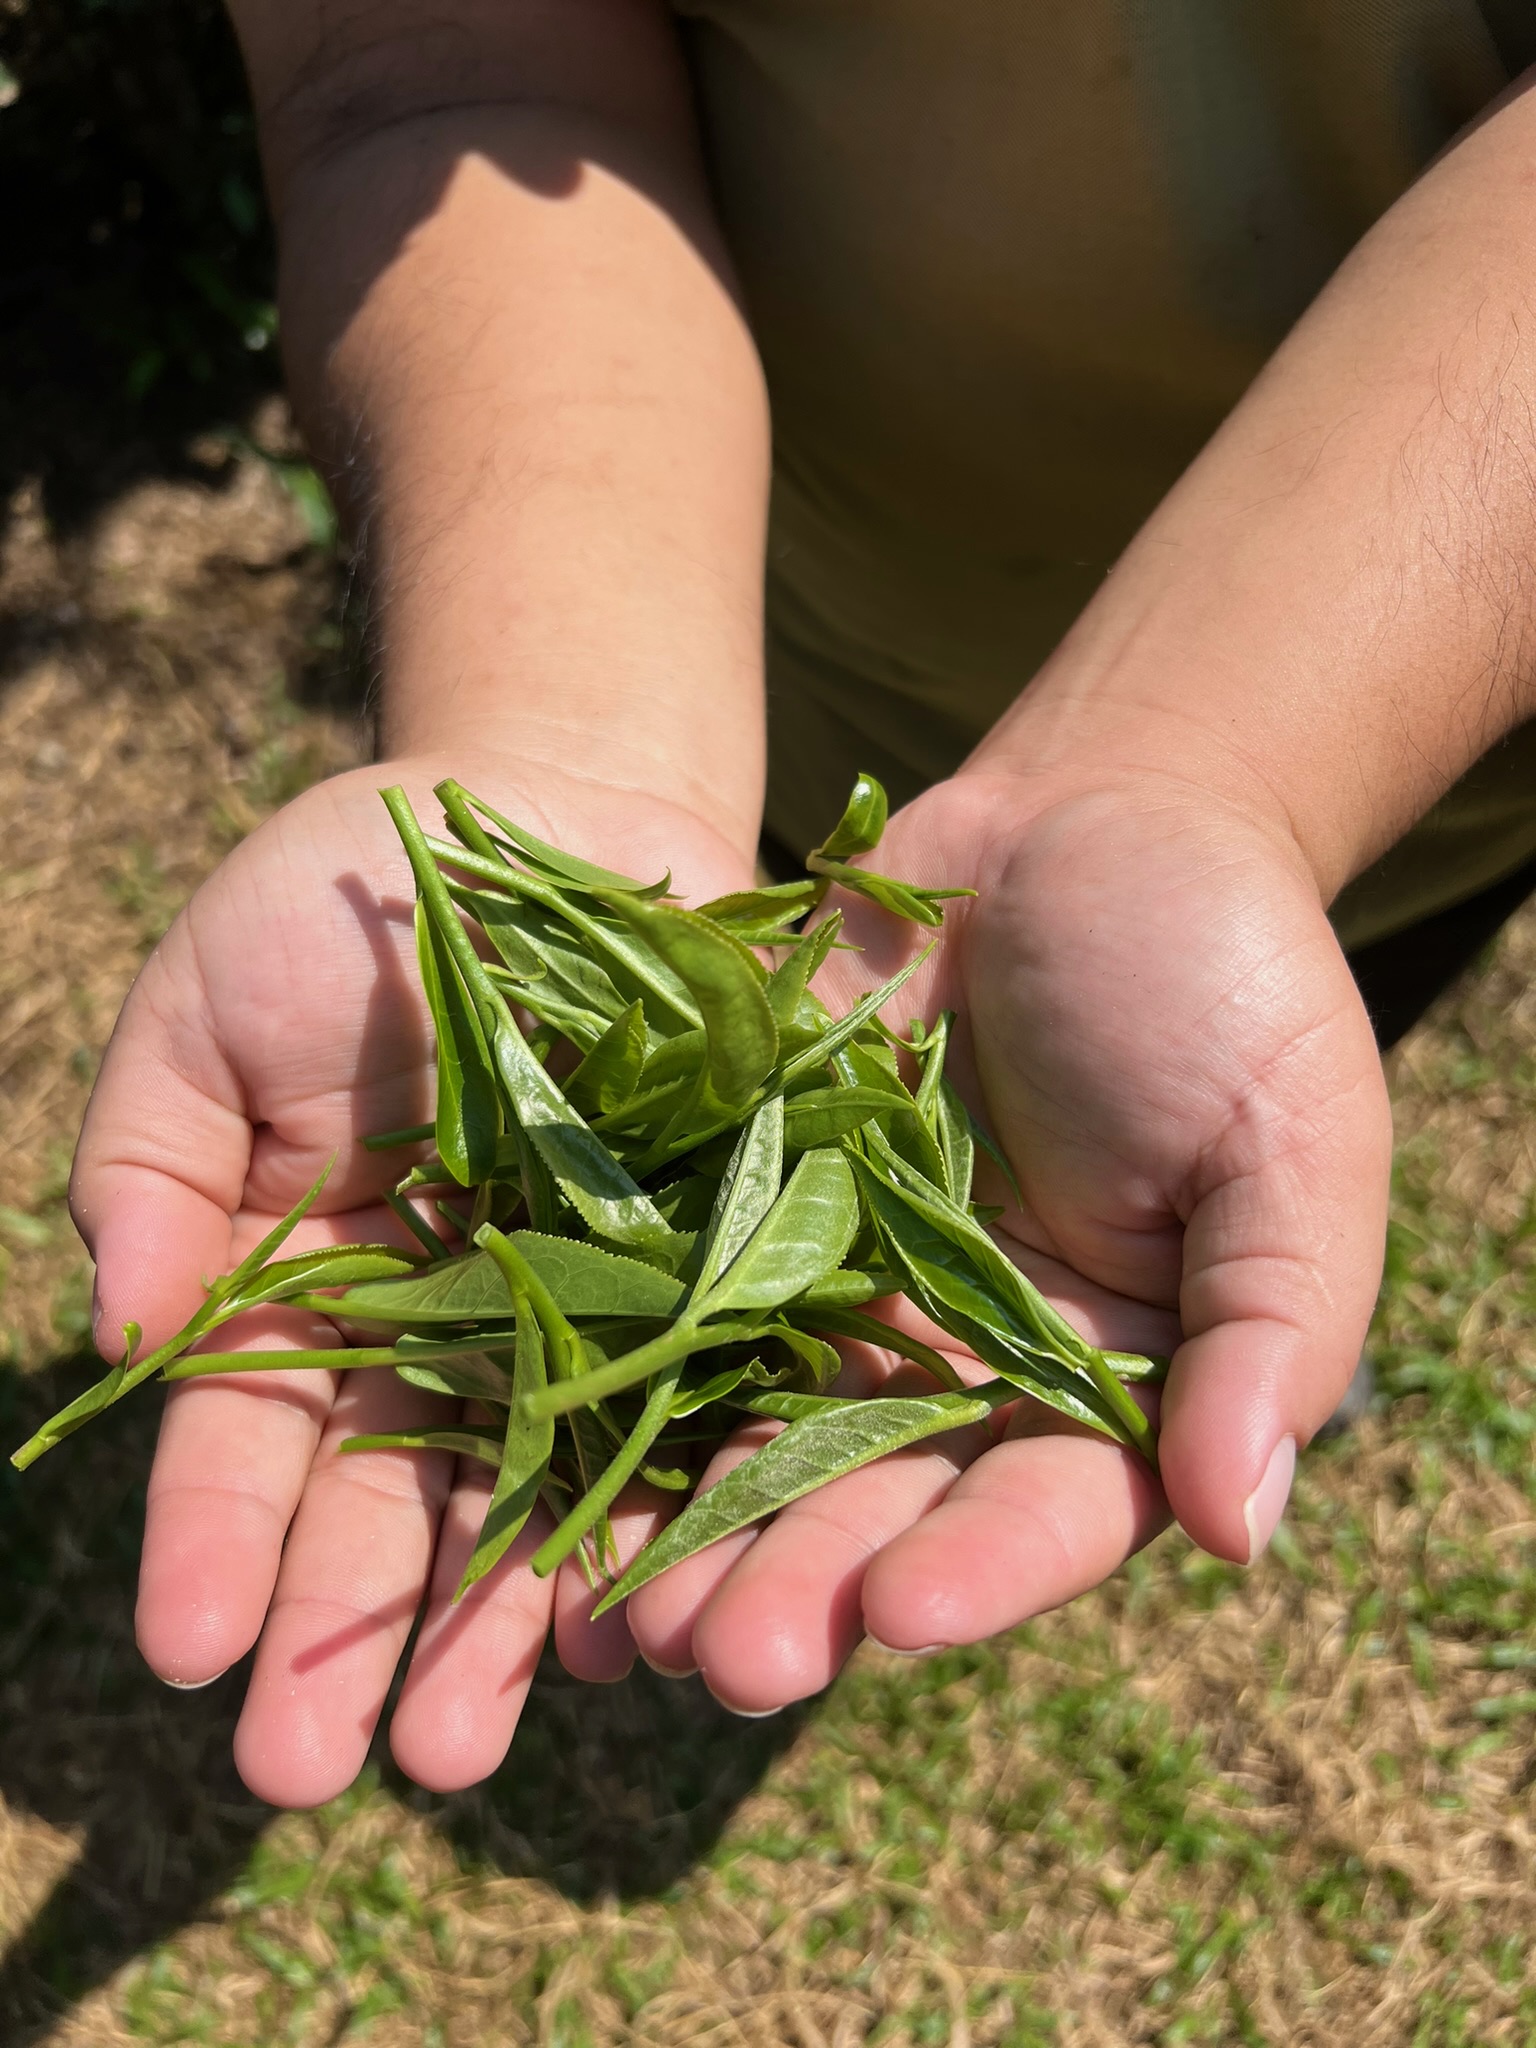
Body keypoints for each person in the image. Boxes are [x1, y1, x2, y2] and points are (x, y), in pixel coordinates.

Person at [69, 2, 1536, 1808]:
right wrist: (557, 725)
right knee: (1005, 1091)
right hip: (716, 604)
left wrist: (1208, 768)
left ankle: (1196, 1269)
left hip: (1398, 686)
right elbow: (436, 66)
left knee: (1246, 1074)